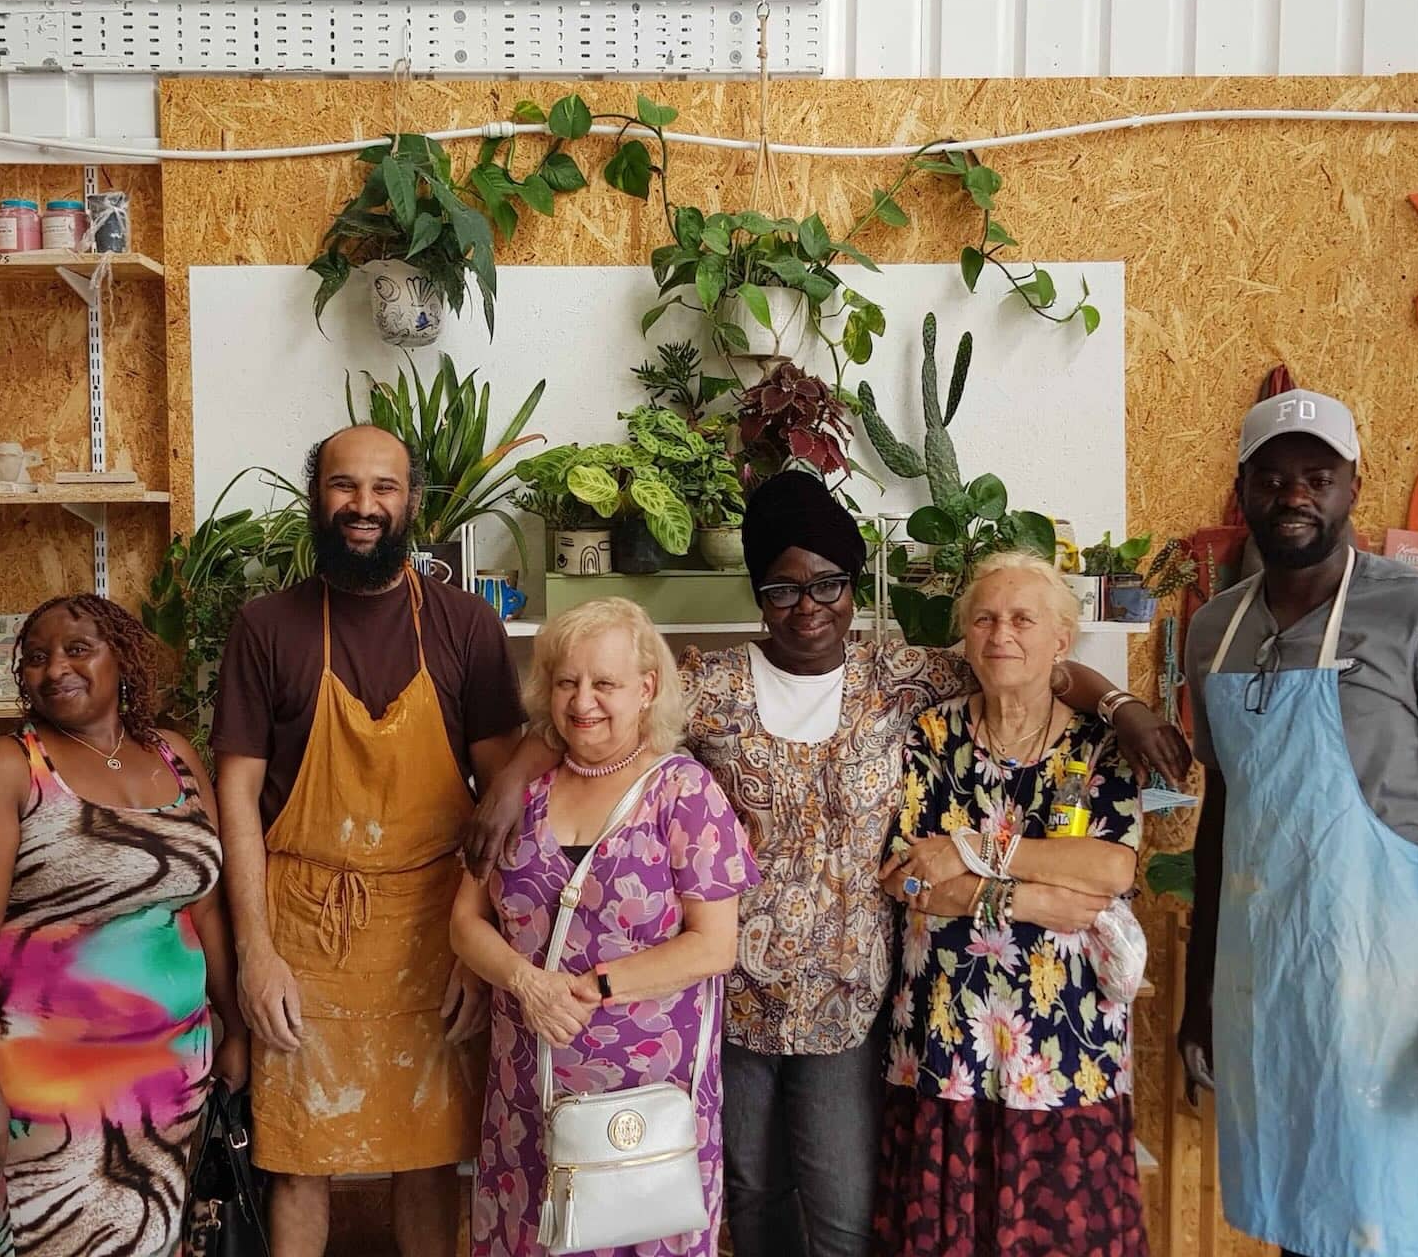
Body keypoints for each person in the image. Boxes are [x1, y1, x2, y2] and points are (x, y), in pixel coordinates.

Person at [464, 470, 1189, 1257]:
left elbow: (1031, 665)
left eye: (828, 585)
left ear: (852, 587)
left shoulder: (899, 677)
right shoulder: (714, 687)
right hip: (730, 996)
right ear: (759, 596)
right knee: (752, 1198)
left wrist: (1124, 705)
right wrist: (510, 780)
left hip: (851, 997)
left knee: (844, 1211)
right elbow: (597, 713)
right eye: (782, 589)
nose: (807, 608)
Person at [1179, 391, 1418, 1257]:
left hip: (1385, 994)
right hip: (1266, 985)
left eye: (1318, 476)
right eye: (1274, 476)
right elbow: (1226, 812)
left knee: (1379, 1223)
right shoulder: (1215, 630)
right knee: (1296, 1215)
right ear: (1244, 487)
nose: (1295, 494)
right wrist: (1201, 997)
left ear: (1354, 485)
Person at [212, 425, 528, 1257]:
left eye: (383, 489)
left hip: (433, 929)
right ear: (315, 498)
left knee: (426, 1161)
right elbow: (236, 800)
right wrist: (257, 954)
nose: (364, 506)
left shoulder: (464, 625)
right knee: (298, 1161)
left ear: (411, 502)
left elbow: (505, 798)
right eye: (345, 487)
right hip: (303, 931)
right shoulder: (266, 626)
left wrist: (478, 942)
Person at [0, 593, 245, 1257]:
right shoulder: (8, 768)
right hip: (48, 1090)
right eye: (37, 658)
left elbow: (207, 906)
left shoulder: (176, 757)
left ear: (123, 660)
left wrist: (235, 1027)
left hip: (169, 1081)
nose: (56, 670)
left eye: (78, 649)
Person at [449, 598, 759, 1256]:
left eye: (605, 683)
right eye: (566, 681)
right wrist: (527, 984)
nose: (582, 700)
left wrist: (592, 986)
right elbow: (464, 923)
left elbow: (715, 945)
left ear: (646, 689)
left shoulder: (684, 794)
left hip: (643, 1114)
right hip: (526, 1100)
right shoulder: (520, 797)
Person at [875, 552, 1145, 1257]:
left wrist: (972, 850)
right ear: (964, 636)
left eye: (1023, 618)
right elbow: (907, 878)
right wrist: (1037, 898)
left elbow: (1111, 867)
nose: (1002, 634)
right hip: (947, 1035)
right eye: (985, 618)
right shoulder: (930, 738)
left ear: (1062, 640)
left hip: (1067, 1039)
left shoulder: (1100, 748)